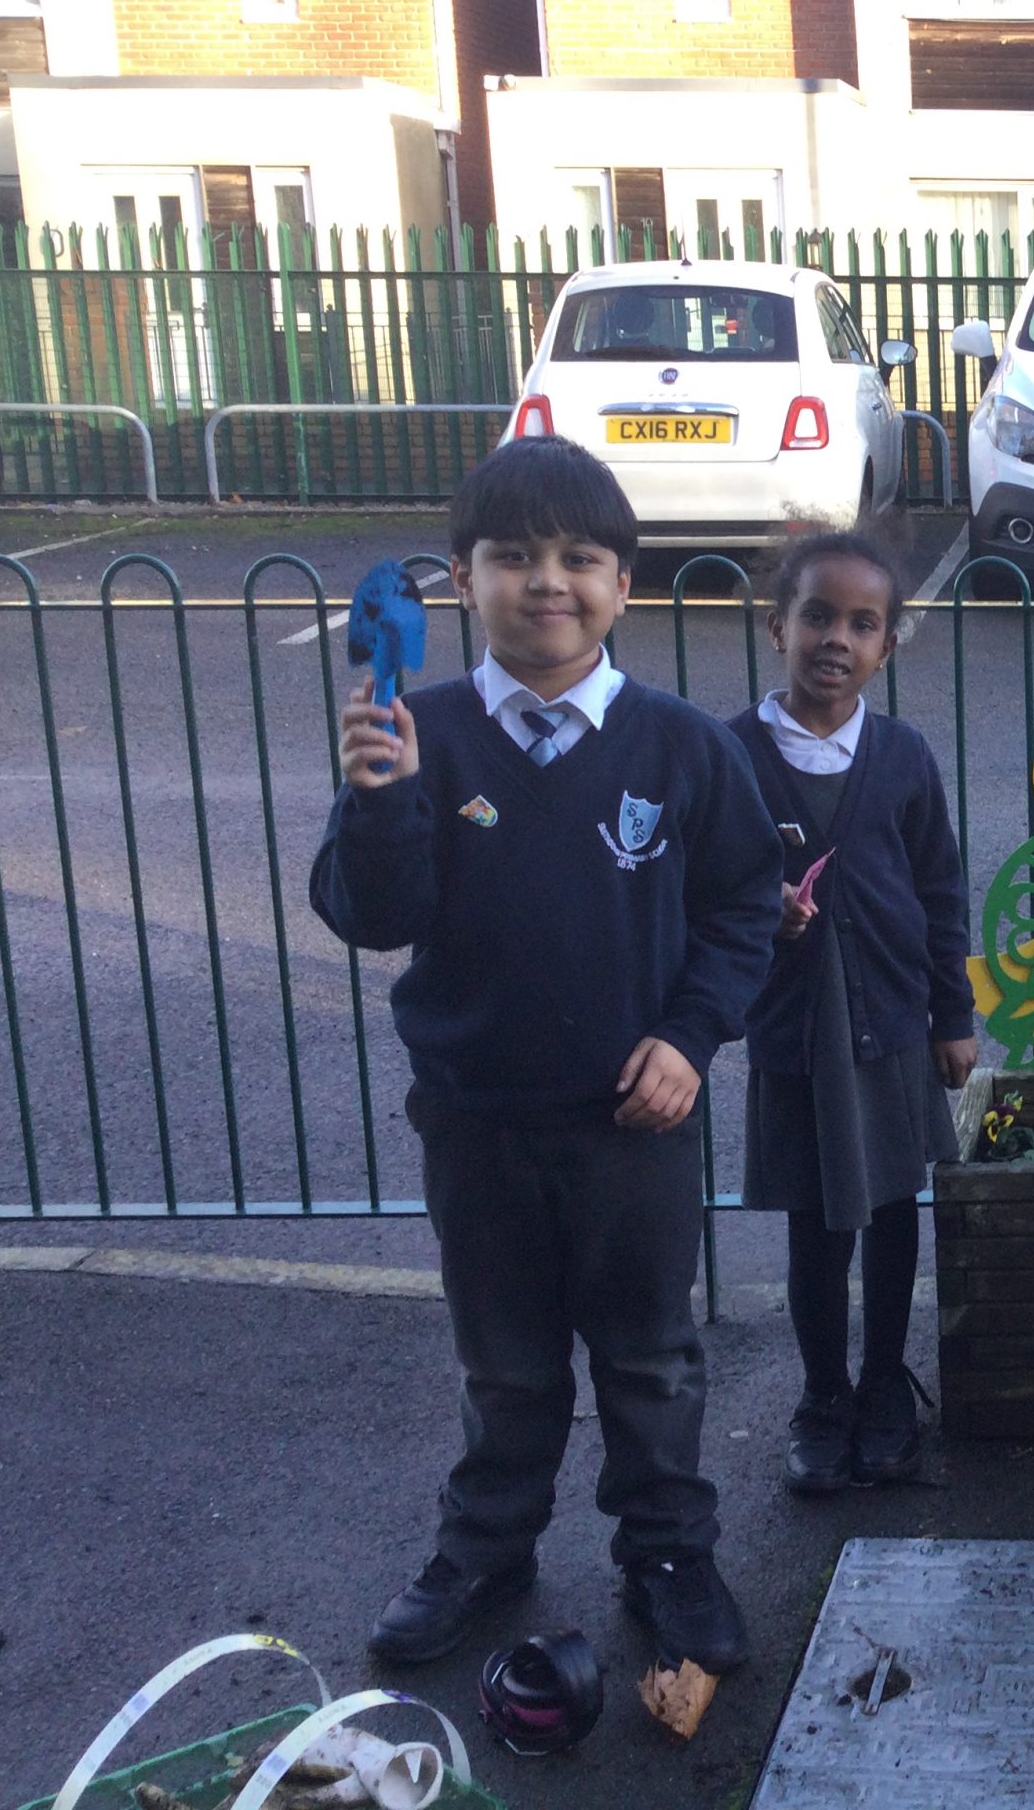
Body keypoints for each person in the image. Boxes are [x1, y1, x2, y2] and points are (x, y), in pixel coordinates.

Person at [310, 436, 781, 1676]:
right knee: (505, 1364)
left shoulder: (683, 747)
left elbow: (744, 905)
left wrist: (690, 1035)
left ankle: (668, 1555)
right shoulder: (417, 731)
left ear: (624, 583)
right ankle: (486, 1546)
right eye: (513, 556)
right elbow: (375, 918)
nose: (547, 581)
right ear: (464, 580)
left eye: (578, 557)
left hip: (635, 1123)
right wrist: (380, 801)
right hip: (477, 1118)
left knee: (649, 1359)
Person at [732, 530, 975, 1494]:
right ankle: (822, 1395)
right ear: (777, 627)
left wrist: (953, 1015)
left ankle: (883, 1388)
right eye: (818, 617)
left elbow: (940, 891)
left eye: (863, 624)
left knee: (891, 1210)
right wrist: (764, 913)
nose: (837, 638)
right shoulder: (732, 756)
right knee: (816, 1225)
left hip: (893, 1023)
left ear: (886, 647)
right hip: (798, 1034)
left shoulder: (902, 756)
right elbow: (705, 889)